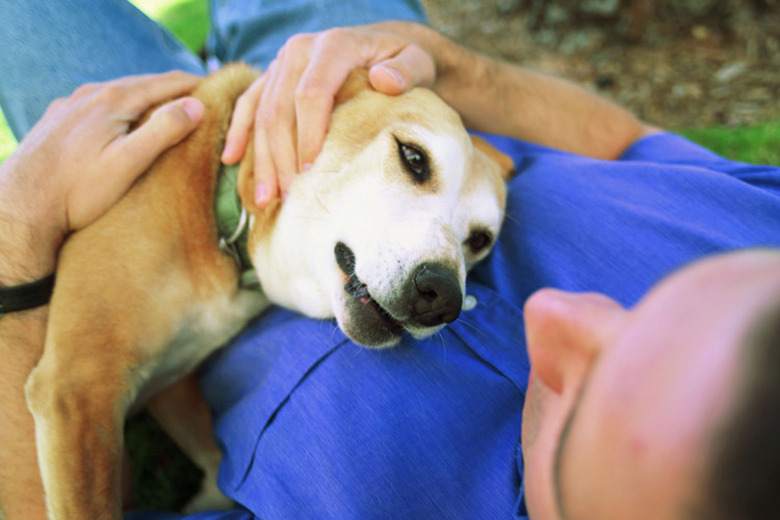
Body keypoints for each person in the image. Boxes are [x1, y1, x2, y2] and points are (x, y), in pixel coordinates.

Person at [0, 2, 778, 520]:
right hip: (378, 83)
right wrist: (446, 68)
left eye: (598, 400)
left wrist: (17, 239)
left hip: (168, 229)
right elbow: (623, 141)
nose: (556, 308)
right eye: (653, 303)